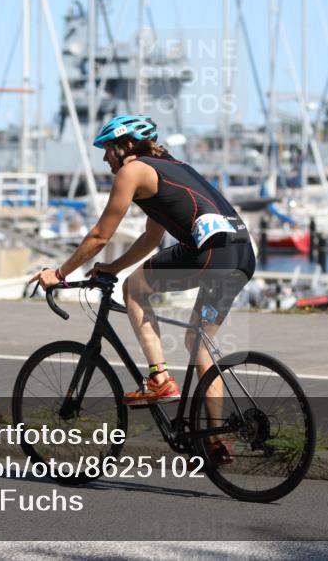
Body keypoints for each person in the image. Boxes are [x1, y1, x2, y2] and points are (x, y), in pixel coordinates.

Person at [29, 114, 255, 464]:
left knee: (135, 289)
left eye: (107, 150)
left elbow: (100, 235)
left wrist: (59, 273)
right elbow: (152, 237)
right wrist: (112, 268)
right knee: (199, 344)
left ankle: (159, 379)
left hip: (211, 255)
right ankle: (217, 438)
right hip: (239, 257)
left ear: (126, 146)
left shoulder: (132, 172)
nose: (106, 159)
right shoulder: (170, 168)